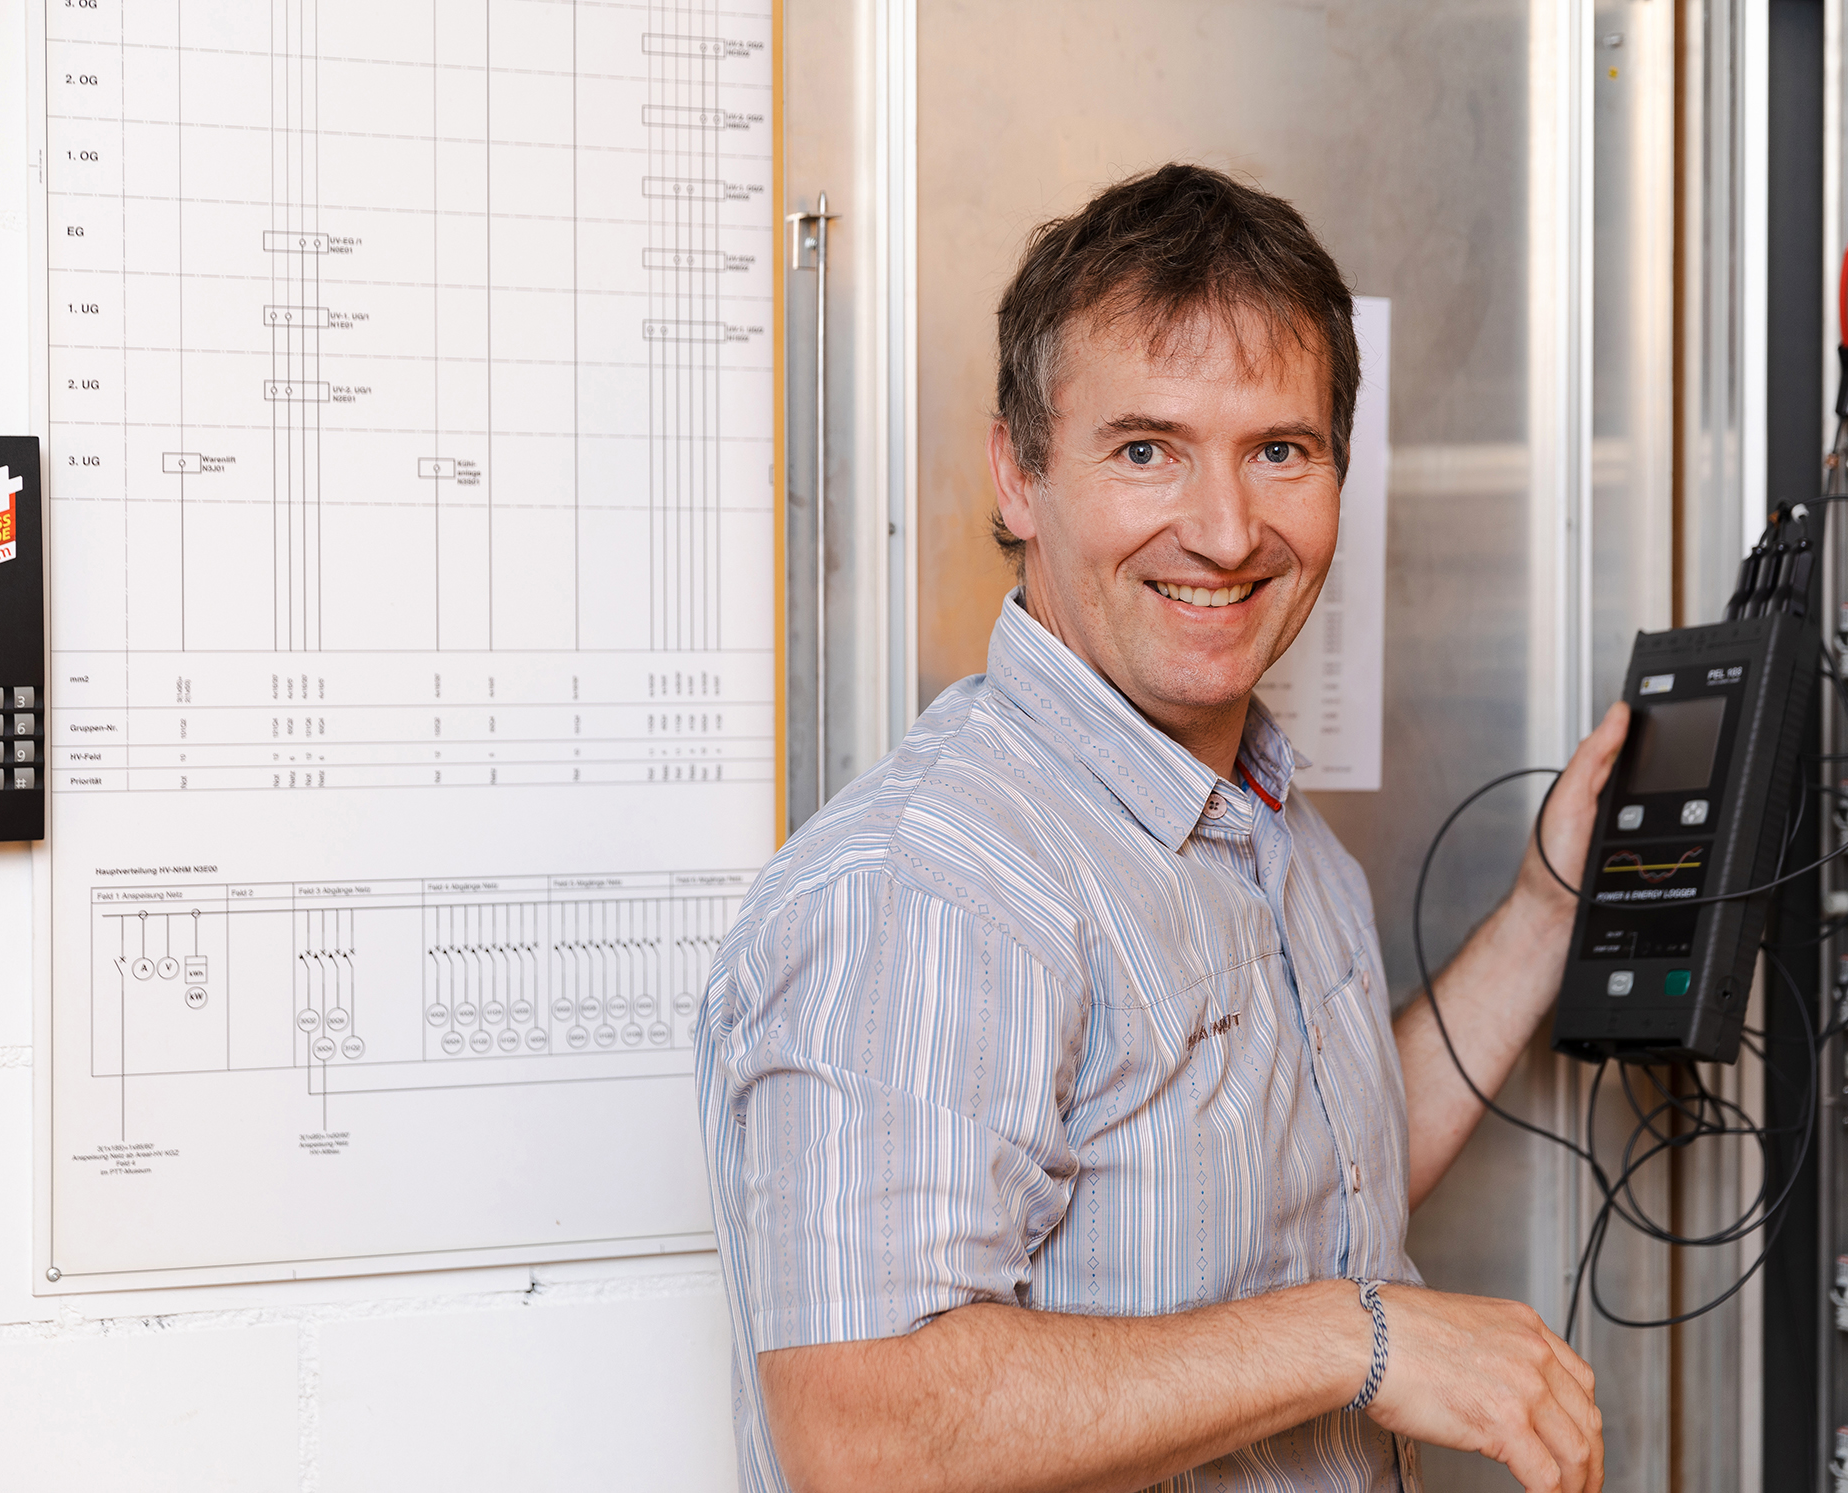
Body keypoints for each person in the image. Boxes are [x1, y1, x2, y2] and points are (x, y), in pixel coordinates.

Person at [697, 163, 1629, 1493]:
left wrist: (1546, 909)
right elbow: (866, 1431)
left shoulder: (1273, 833)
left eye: (1279, 452)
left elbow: (1321, 1178)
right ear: (1017, 476)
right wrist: (1360, 1338)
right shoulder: (933, 884)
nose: (1227, 529)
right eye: (1147, 449)